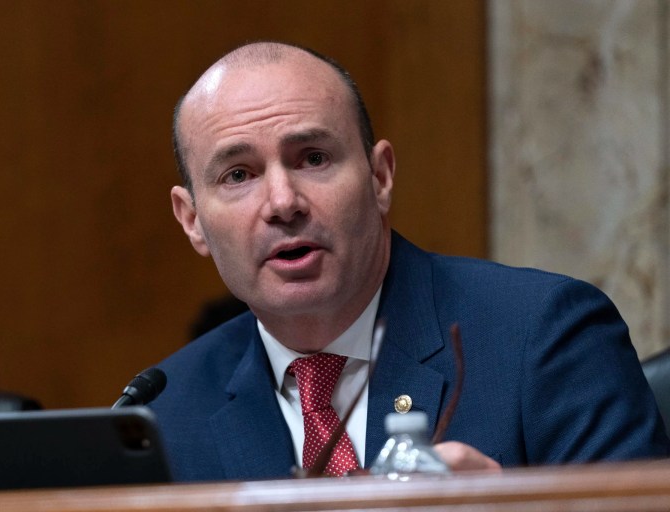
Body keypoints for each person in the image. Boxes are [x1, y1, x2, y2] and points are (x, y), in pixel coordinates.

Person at [147, 41, 669, 482]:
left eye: (313, 158)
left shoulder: (545, 336)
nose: (282, 203)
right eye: (238, 175)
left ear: (380, 178)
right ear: (192, 220)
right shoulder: (164, 415)